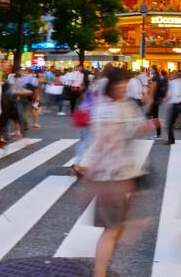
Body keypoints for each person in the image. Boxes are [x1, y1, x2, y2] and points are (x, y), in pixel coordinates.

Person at [77, 67, 157, 277]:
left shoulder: (125, 105)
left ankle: (104, 268)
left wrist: (148, 124)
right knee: (112, 230)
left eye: (125, 84)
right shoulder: (106, 109)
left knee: (118, 227)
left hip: (124, 174)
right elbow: (100, 142)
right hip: (111, 177)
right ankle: (100, 273)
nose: (123, 88)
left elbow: (133, 129)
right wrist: (90, 173)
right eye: (120, 84)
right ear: (111, 86)